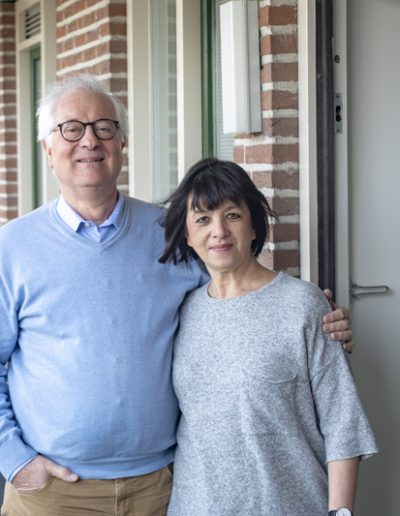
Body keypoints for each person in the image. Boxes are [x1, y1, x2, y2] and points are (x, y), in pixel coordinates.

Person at [0, 75, 353, 515]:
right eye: (71, 128)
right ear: (47, 147)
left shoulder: (171, 232)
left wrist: (316, 319)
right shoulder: (11, 248)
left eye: (103, 127)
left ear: (122, 143)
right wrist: (15, 460)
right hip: (53, 493)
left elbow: (235, 286)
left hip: (160, 488)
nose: (89, 140)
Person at [159, 158, 378, 516]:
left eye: (232, 215)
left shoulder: (303, 304)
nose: (218, 231)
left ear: (254, 226)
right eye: (202, 219)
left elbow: (343, 423)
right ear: (187, 234)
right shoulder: (183, 311)